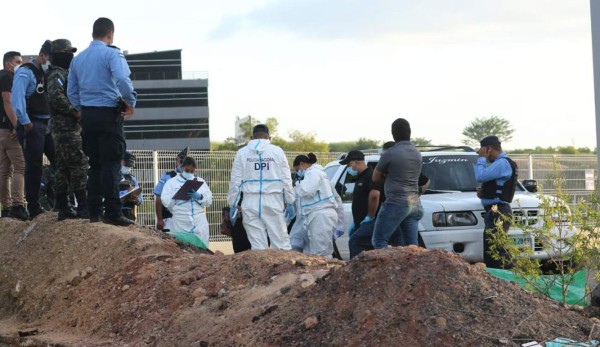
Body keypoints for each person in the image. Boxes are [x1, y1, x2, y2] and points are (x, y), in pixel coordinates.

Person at [68, 17, 137, 226]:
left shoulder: (78, 59)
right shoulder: (112, 54)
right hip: (109, 116)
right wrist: (131, 101)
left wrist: (83, 109)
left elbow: (71, 92)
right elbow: (123, 80)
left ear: (92, 34)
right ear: (110, 34)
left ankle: (94, 212)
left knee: (94, 165)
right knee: (111, 164)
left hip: (88, 117)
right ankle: (113, 212)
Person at [227, 124, 294, 250]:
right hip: (273, 200)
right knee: (281, 243)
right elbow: (286, 179)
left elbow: (235, 181)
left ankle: (263, 269)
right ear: (269, 137)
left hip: (250, 201)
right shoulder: (277, 151)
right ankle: (284, 269)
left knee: (258, 246)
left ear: (252, 137)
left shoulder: (242, 153)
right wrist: (290, 201)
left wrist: (233, 204)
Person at [46, 39, 89, 221]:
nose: (70, 55)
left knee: (63, 167)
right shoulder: (57, 73)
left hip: (65, 125)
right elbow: (56, 97)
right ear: (59, 54)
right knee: (78, 164)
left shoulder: (64, 72)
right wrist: (75, 112)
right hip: (65, 125)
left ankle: (63, 206)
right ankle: (83, 206)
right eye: (67, 52)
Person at [12, 40, 55, 219]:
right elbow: (17, 99)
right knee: (34, 167)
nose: (49, 63)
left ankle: (59, 201)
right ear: (42, 55)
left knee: (60, 162)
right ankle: (34, 206)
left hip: (49, 124)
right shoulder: (25, 72)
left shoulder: (50, 73)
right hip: (33, 124)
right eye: (48, 58)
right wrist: (26, 122)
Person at [372, 118, 424, 249]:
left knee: (379, 240)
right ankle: (414, 268)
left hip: (396, 203)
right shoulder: (417, 153)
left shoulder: (390, 153)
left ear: (393, 133)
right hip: (415, 204)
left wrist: (388, 177)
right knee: (412, 246)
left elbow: (375, 177)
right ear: (409, 132)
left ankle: (385, 269)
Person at [475, 135, 518, 269]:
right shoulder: (501, 163)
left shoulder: (502, 163)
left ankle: (505, 279)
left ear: (488, 149)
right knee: (495, 249)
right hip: (496, 210)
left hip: (497, 211)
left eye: (483, 151)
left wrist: (481, 159)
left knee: (495, 252)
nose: (484, 156)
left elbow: (480, 176)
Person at [290, 155, 344, 256]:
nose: (298, 173)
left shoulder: (313, 173)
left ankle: (324, 271)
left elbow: (307, 190)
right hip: (314, 215)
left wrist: (297, 185)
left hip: (320, 215)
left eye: (298, 170)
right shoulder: (312, 176)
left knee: (321, 253)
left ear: (302, 164)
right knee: (315, 251)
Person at [160, 156, 213, 249]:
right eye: (187, 170)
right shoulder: (171, 183)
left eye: (192, 171)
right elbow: (165, 202)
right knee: (183, 250)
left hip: (199, 223)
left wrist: (200, 196)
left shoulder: (201, 182)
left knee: (201, 250)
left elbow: (209, 201)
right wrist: (177, 195)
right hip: (181, 222)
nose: (189, 173)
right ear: (182, 167)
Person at [0, 51, 28, 220]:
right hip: (8, 129)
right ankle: (18, 205)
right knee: (20, 167)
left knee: (4, 171)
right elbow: (8, 101)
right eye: (17, 62)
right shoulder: (7, 77)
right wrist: (17, 125)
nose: (20, 65)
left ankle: (6, 208)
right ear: (8, 63)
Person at [154, 147, 188, 232]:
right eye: (182, 162)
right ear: (177, 161)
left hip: (185, 220)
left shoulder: (192, 178)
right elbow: (159, 197)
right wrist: (160, 219)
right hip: (169, 219)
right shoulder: (167, 176)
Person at [119, 151, 143, 222]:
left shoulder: (132, 178)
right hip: (116, 213)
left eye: (130, 166)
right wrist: (126, 192)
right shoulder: (112, 177)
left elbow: (141, 199)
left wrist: (137, 199)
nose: (128, 168)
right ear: (120, 161)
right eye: (126, 165)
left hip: (129, 215)